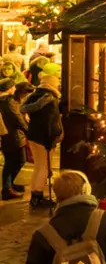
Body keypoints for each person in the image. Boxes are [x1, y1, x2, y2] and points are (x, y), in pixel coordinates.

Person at [23, 66, 63, 209]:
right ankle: (38, 195)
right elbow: (51, 122)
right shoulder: (50, 100)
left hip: (33, 135)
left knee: (38, 167)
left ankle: (35, 195)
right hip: (44, 137)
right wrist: (53, 137)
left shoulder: (34, 96)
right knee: (44, 168)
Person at [2, 73, 32, 199]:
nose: (14, 89)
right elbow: (17, 118)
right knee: (16, 160)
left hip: (11, 135)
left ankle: (10, 185)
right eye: (12, 87)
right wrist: (28, 130)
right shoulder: (8, 101)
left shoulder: (8, 101)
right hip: (12, 135)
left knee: (13, 160)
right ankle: (7, 188)